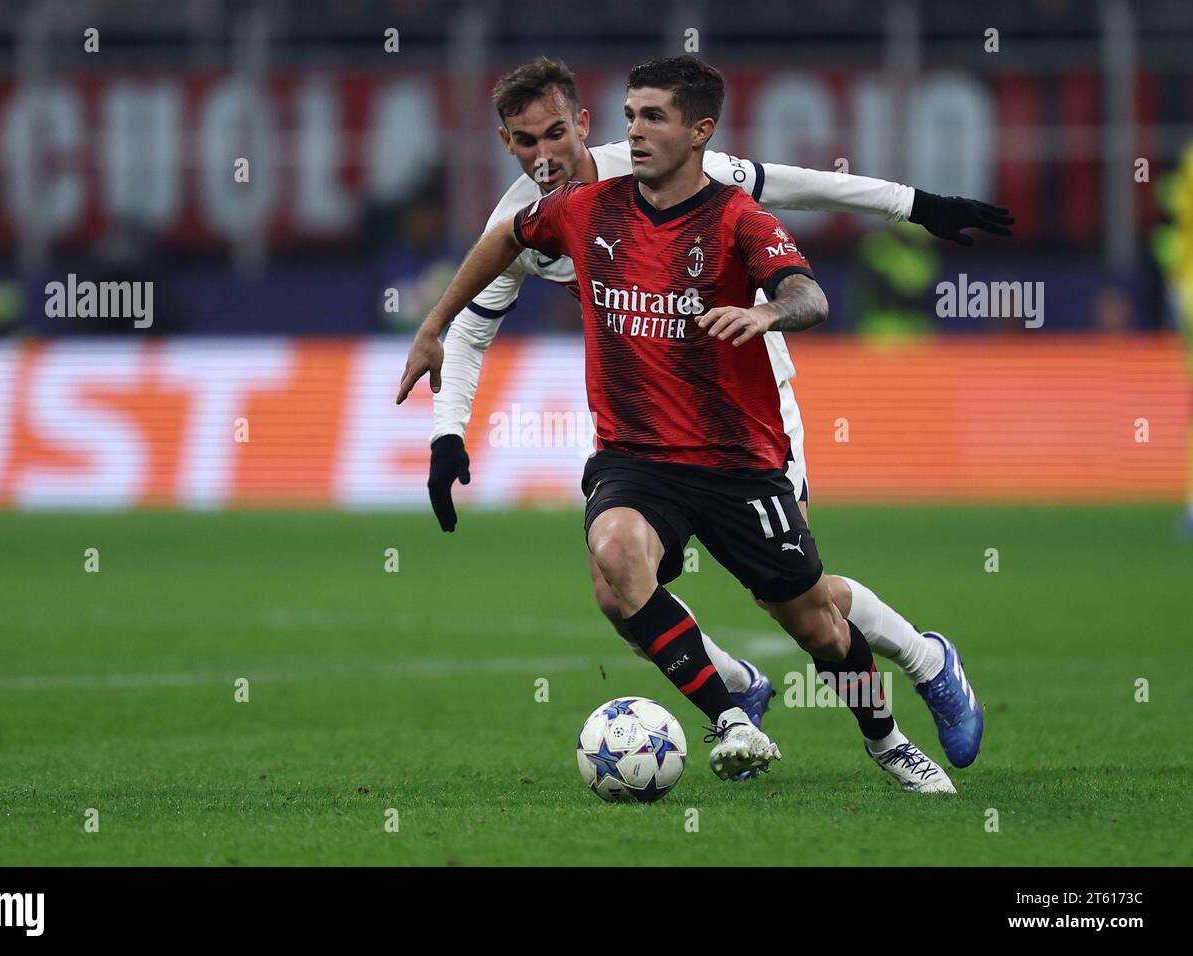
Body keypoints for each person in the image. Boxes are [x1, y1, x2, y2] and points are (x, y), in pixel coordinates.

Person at [401, 57, 986, 791]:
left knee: (795, 604)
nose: (543, 155)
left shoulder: (670, 175)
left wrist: (911, 204)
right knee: (617, 586)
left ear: (583, 125)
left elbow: (798, 186)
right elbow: (475, 321)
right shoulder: (541, 213)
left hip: (744, 405)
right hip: (644, 433)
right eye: (525, 142)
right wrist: (447, 430)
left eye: (555, 134)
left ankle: (925, 661)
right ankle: (735, 691)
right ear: (505, 143)